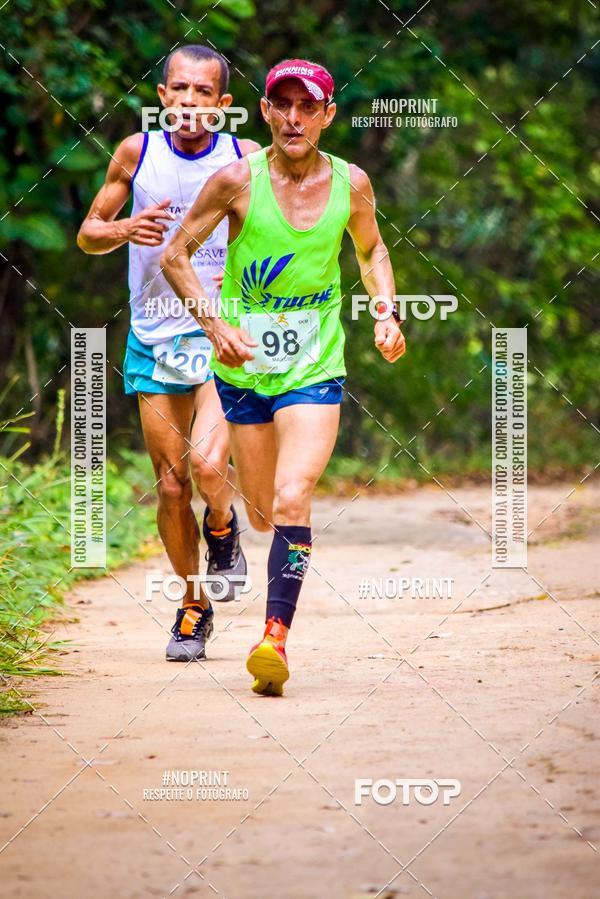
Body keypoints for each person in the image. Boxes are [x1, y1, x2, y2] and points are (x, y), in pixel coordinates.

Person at [161, 58, 406, 694]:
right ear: (266, 111)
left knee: (296, 496)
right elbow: (174, 253)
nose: (294, 117)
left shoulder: (352, 183)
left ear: (327, 116)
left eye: (308, 106)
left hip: (314, 365)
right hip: (243, 368)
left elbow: (372, 247)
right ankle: (234, 531)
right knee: (267, 512)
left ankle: (274, 640)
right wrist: (216, 328)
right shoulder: (236, 182)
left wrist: (385, 311)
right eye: (282, 105)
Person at [77, 45, 260, 661]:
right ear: (162, 96)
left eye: (203, 93)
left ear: (223, 105)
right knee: (172, 487)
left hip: (221, 335)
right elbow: (88, 234)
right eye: (177, 90)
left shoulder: (245, 159)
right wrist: (126, 229)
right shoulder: (137, 152)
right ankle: (192, 606)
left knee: (210, 472)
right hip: (154, 335)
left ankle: (224, 527)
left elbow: (281, 234)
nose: (188, 102)